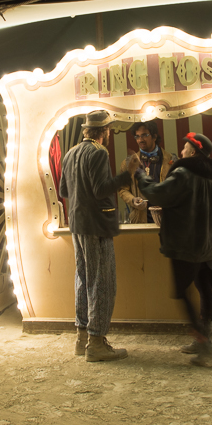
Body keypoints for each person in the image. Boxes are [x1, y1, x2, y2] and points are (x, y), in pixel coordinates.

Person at [136, 132, 212, 366]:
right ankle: (205, 339)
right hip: (208, 244)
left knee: (182, 293)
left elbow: (155, 194)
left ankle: (204, 346)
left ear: (193, 152)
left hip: (184, 243)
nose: (181, 152)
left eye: (184, 148)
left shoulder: (183, 174)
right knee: (204, 289)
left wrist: (141, 174)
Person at [59, 110, 140, 362]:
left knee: (83, 278)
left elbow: (63, 189)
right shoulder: (99, 152)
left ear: (86, 130)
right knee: (102, 281)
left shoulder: (71, 153)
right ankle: (96, 342)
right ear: (105, 131)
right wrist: (127, 173)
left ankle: (82, 337)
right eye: (109, 130)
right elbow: (100, 190)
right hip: (97, 225)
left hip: (78, 224)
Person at [118, 121, 175, 223]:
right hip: (140, 218)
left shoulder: (172, 161)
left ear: (154, 136)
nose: (140, 140)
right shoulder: (127, 163)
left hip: (168, 218)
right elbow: (122, 189)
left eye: (144, 135)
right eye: (137, 136)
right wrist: (132, 200)